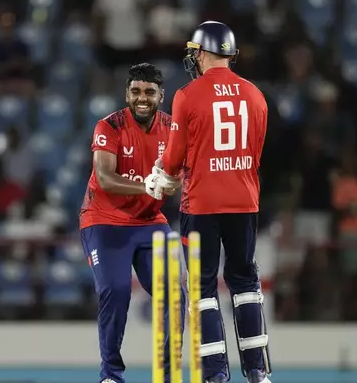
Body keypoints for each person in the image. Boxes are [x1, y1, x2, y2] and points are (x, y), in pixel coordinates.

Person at [145, 21, 272, 383]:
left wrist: (164, 175)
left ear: (201, 53)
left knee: (202, 288)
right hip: (244, 201)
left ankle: (216, 375)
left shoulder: (187, 95)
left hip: (201, 204)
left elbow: (173, 161)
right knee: (246, 283)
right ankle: (258, 371)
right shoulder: (255, 95)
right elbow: (255, 154)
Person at [79, 63, 184, 383]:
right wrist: (148, 186)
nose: (142, 98)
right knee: (116, 290)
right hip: (104, 220)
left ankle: (166, 376)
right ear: (127, 93)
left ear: (160, 96)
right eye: (136, 91)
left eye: (149, 92)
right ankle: (110, 375)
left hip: (150, 221)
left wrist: (175, 181)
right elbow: (106, 178)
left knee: (175, 295)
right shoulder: (108, 126)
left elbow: (184, 171)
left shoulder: (173, 128)